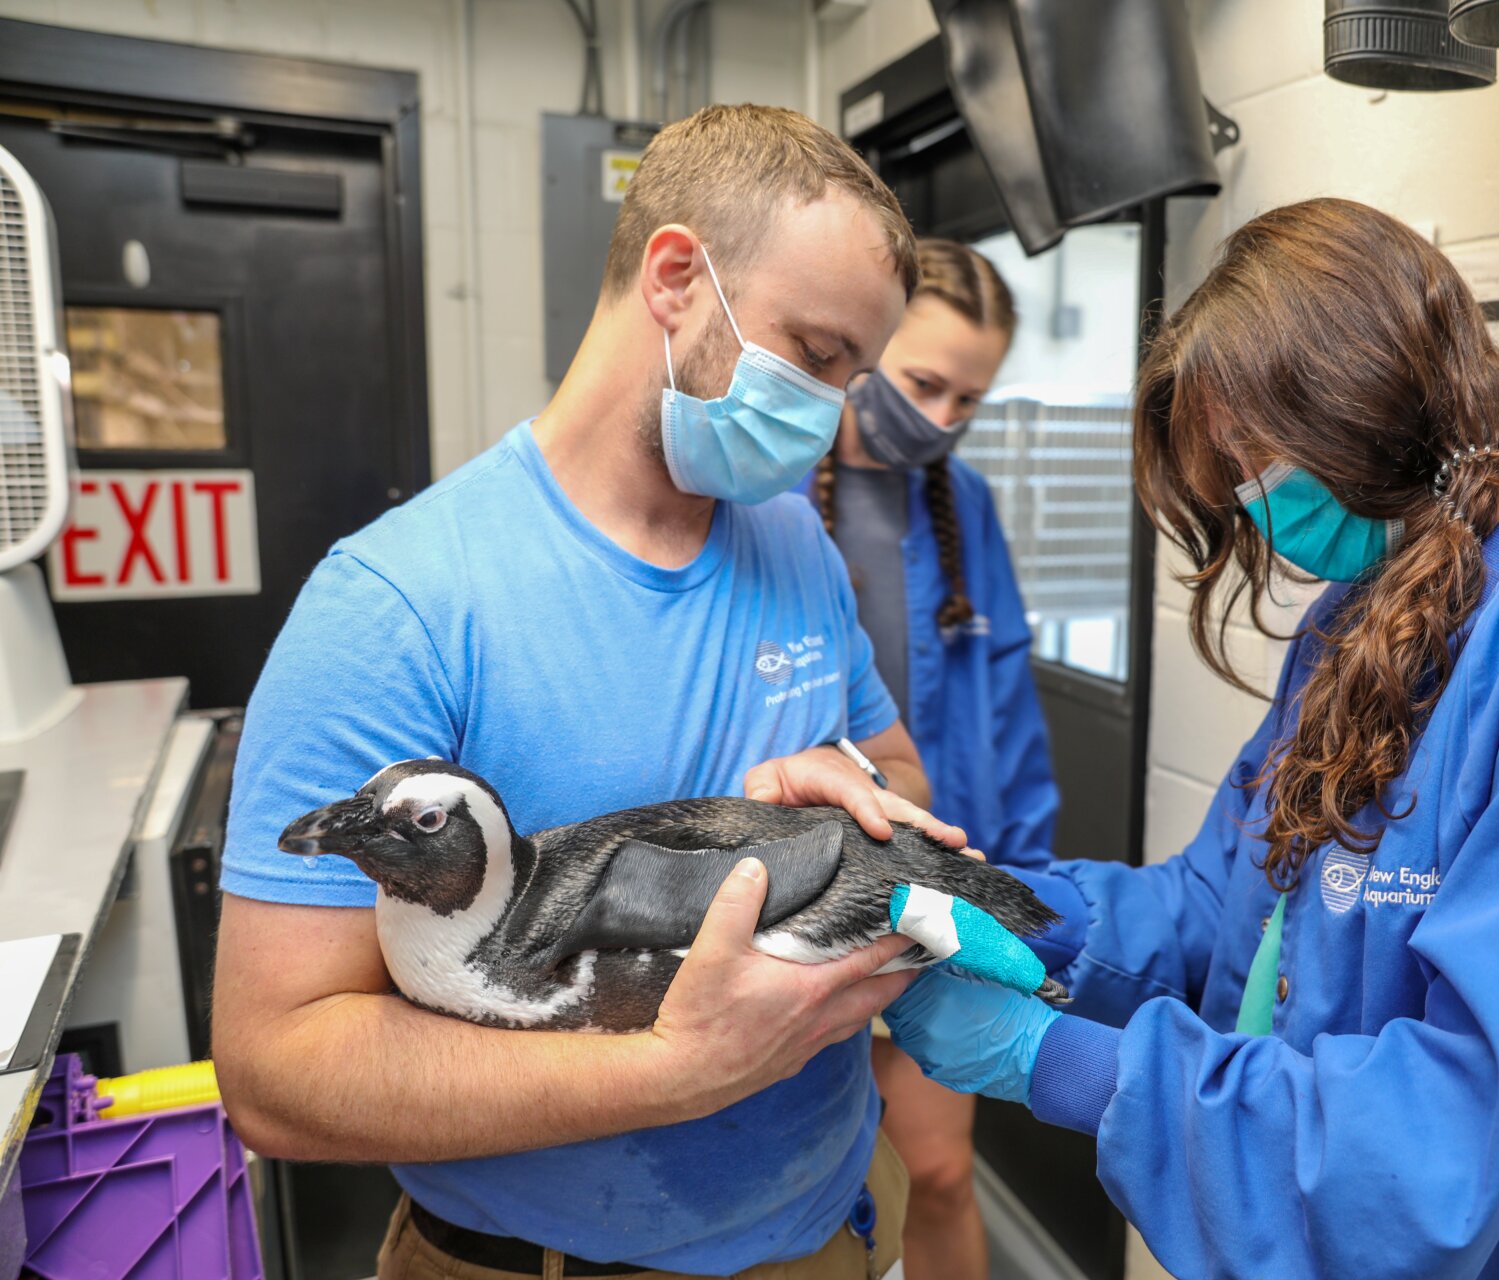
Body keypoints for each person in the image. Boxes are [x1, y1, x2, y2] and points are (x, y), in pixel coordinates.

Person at [880, 198, 1499, 1279]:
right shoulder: (1370, 610)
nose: (1252, 501)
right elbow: (1222, 903)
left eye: (1253, 460)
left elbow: (1456, 1131)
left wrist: (1060, 1061)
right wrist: (1001, 904)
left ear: (1359, 399)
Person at [213, 104, 964, 1280]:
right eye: (815, 355)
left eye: (852, 375)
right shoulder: (400, 604)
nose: (828, 415)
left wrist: (847, 789)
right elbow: (277, 1068)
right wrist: (672, 1067)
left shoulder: (794, 548)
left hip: (827, 1225)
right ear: (676, 276)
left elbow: (904, 782)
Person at [808, 239, 1059, 1280]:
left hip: (935, 895)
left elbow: (1010, 717)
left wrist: (1021, 888)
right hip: (809, 897)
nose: (944, 418)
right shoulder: (768, 504)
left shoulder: (965, 512)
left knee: (941, 1173)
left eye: (970, 397)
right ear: (866, 343)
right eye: (924, 383)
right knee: (831, 1190)